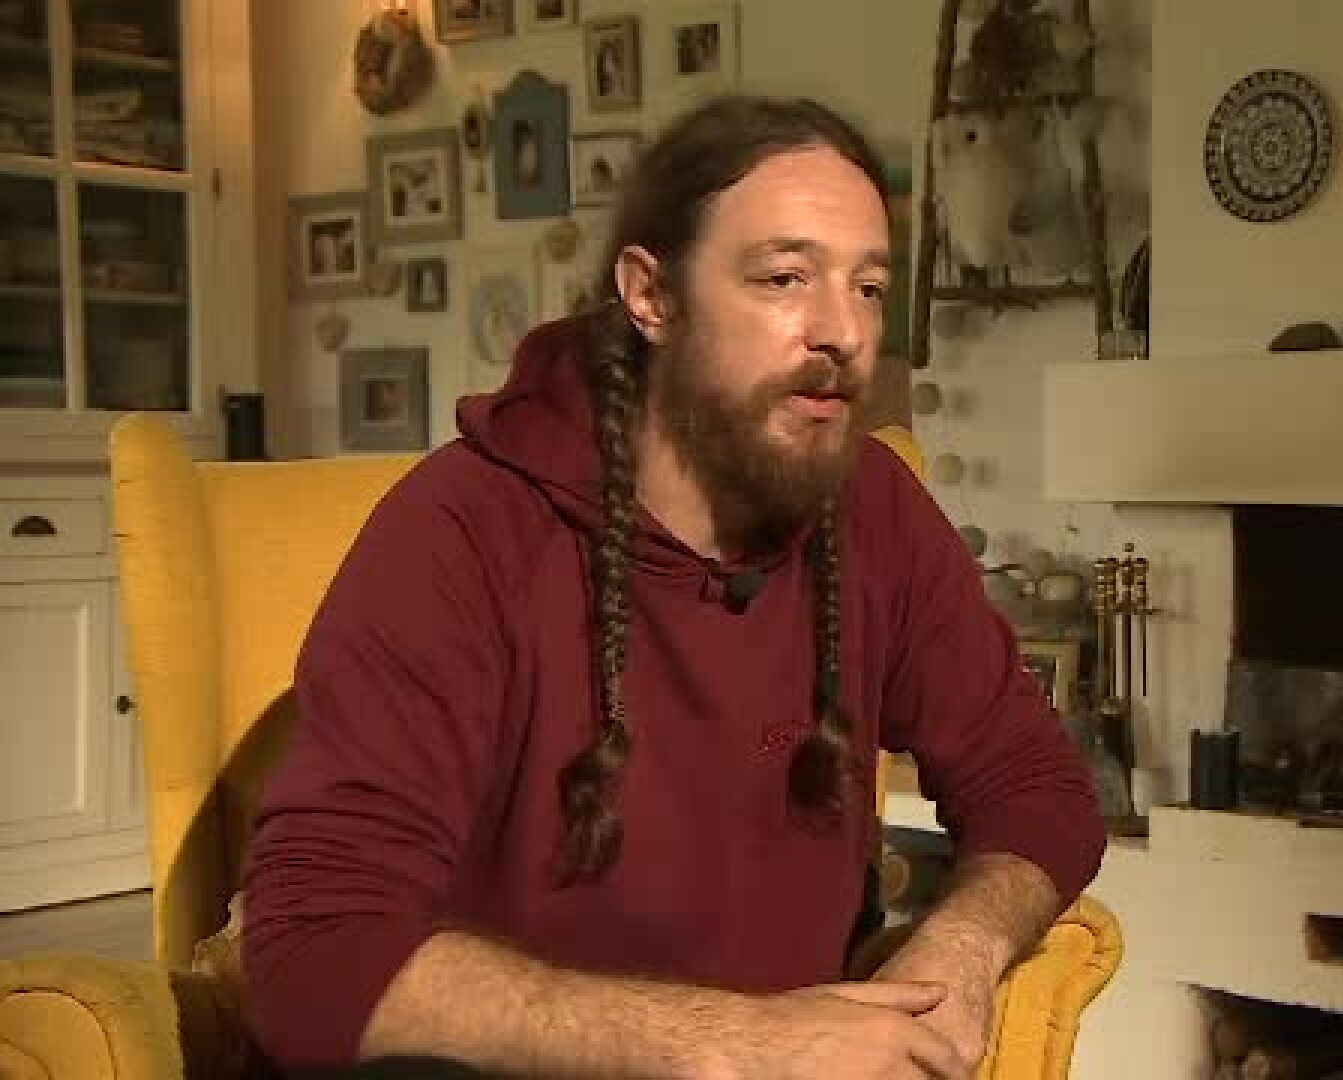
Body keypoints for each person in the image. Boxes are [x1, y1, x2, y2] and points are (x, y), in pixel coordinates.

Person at [241, 94, 1107, 1079]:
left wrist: (962, 948)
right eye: (784, 277)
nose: (842, 331)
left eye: (869, 287)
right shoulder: (461, 531)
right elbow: (312, 959)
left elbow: (1036, 785)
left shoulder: (876, 511)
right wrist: (737, 1044)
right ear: (652, 295)